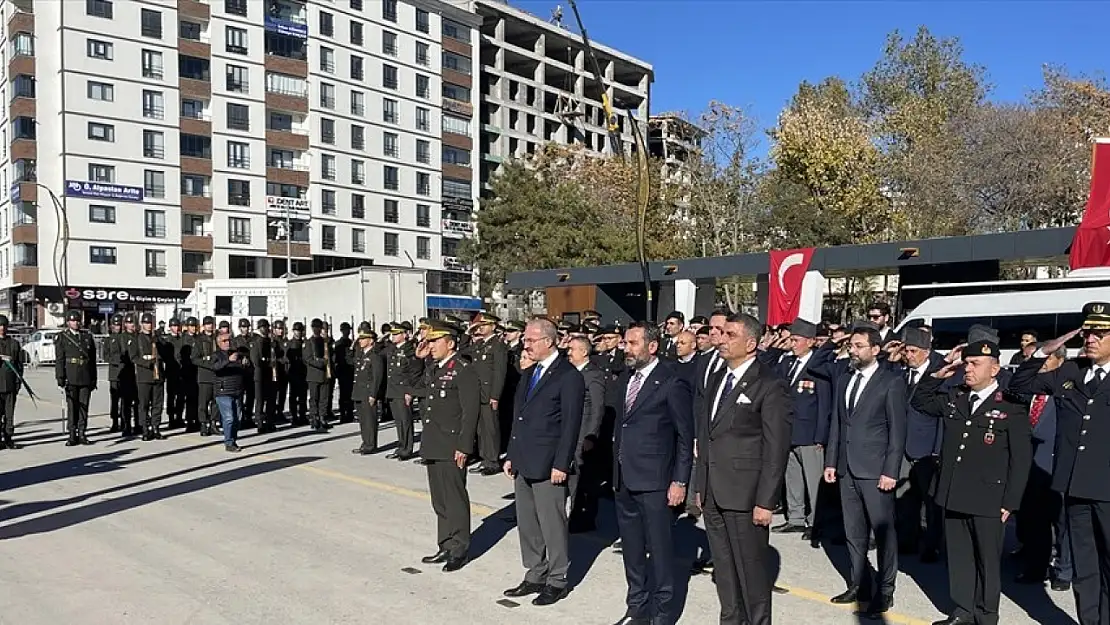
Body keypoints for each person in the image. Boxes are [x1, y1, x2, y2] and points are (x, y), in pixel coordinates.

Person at [912, 338, 1032, 625]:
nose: (968, 369)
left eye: (975, 364)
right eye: (966, 363)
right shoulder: (955, 397)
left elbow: (1021, 459)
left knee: (987, 560)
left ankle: (986, 615)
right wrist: (936, 374)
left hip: (988, 497)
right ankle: (963, 610)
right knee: (960, 557)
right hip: (953, 492)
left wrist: (1010, 501)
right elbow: (920, 402)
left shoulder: (1011, 407)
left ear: (994, 369)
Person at [1009, 303, 1110, 625]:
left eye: (1100, 333)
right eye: (1088, 331)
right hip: (1074, 485)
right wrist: (1043, 351)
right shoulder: (1071, 371)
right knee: (1085, 566)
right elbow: (1019, 386)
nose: (1091, 338)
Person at [694, 313, 792, 625]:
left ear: (751, 343)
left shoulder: (769, 384)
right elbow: (707, 436)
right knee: (724, 571)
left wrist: (766, 501)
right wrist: (701, 485)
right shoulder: (718, 378)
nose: (720, 339)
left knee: (751, 574)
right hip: (713, 491)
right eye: (720, 333)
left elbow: (776, 448)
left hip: (746, 495)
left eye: (730, 335)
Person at [611, 323, 694, 625]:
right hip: (624, 478)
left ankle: (662, 612)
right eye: (625, 343)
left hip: (656, 481)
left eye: (633, 343)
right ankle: (636, 607)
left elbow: (685, 437)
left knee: (659, 551)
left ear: (652, 346)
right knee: (632, 551)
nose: (626, 349)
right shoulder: (626, 380)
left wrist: (680, 480)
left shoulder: (671, 382)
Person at [823, 326, 906, 617]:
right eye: (851, 346)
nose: (853, 351)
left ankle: (885, 590)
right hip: (847, 468)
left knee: (883, 533)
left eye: (859, 346)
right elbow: (838, 423)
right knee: (853, 532)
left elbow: (897, 432)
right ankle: (860, 584)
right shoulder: (845, 377)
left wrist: (890, 470)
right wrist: (831, 461)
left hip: (876, 470)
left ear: (875, 349)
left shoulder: (891, 382)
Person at [503, 317, 584, 607]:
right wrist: (511, 454)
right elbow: (519, 418)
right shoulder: (530, 373)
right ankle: (535, 573)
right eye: (525, 339)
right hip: (524, 459)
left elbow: (571, 425)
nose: (525, 344)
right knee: (527, 522)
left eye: (530, 340)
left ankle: (557, 579)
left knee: (552, 523)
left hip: (550, 463)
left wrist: (562, 464)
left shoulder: (568, 376)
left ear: (548, 341)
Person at [415, 320, 481, 572]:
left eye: (434, 341)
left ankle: (459, 548)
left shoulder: (463, 369)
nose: (430, 345)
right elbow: (415, 386)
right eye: (429, 341)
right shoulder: (435, 368)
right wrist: (419, 358)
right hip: (434, 442)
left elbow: (470, 411)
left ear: (450, 343)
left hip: (452, 444)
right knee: (440, 500)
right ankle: (445, 543)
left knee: (454, 499)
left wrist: (464, 446)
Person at [465, 312, 508, 476]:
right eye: (479, 326)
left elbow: (499, 372)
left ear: (493, 326)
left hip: (489, 393)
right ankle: (484, 459)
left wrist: (495, 395)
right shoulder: (480, 344)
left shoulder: (498, 346)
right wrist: (469, 332)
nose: (480, 328)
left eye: (484, 325)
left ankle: (492, 461)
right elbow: (462, 351)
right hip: (478, 393)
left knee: (490, 429)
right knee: (481, 429)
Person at [55, 309, 98, 446]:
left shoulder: (87, 337)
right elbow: (60, 359)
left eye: (77, 320)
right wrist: (60, 377)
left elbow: (92, 360)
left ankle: (82, 433)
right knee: (72, 406)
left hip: (85, 375)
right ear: (68, 322)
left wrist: (94, 378)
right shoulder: (63, 337)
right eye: (73, 320)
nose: (76, 323)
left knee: (84, 406)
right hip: (71, 375)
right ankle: (72, 434)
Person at [129, 312, 167, 441]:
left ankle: (156, 427)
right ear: (142, 324)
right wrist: (146, 362)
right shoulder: (137, 338)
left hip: (158, 375)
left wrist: (159, 342)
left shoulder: (158, 338)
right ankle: (145, 428)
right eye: (146, 323)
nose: (148, 325)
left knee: (158, 404)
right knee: (144, 404)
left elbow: (165, 355)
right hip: (144, 375)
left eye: (150, 323)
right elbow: (133, 357)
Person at [351, 323, 385, 455]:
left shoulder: (374, 357)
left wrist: (373, 394)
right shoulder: (361, 356)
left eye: (363, 338)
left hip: (368, 393)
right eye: (360, 338)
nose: (360, 341)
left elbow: (377, 377)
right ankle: (365, 442)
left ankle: (370, 444)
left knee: (370, 420)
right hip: (359, 392)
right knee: (363, 420)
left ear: (370, 340)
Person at [212, 330, 245, 452]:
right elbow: (215, 367)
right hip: (223, 391)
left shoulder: (237, 354)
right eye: (224, 341)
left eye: (229, 340)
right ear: (219, 343)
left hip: (237, 390)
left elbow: (243, 370)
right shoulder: (217, 355)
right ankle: (229, 442)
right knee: (229, 418)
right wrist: (228, 361)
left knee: (237, 418)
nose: (227, 343)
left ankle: (233, 440)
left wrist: (244, 363)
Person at [0, 315, 23, 449]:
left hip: (10, 385)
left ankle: (9, 438)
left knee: (9, 414)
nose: (2, 328)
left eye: (4, 326)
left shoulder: (14, 343)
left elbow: (19, 365)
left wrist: (18, 382)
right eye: (0, 326)